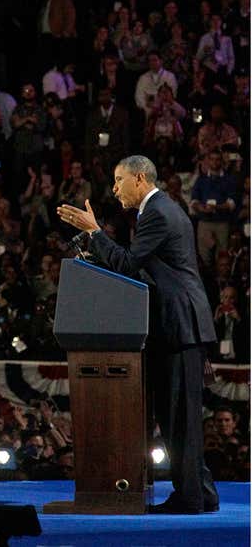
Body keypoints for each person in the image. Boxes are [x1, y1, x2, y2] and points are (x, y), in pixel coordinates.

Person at [56, 154, 218, 514]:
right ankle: (201, 491)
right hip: (177, 324)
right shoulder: (159, 210)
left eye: (119, 180)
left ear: (140, 179)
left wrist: (95, 233)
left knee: (179, 417)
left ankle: (190, 497)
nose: (114, 189)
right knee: (182, 416)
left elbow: (129, 264)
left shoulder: (158, 212)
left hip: (179, 325)